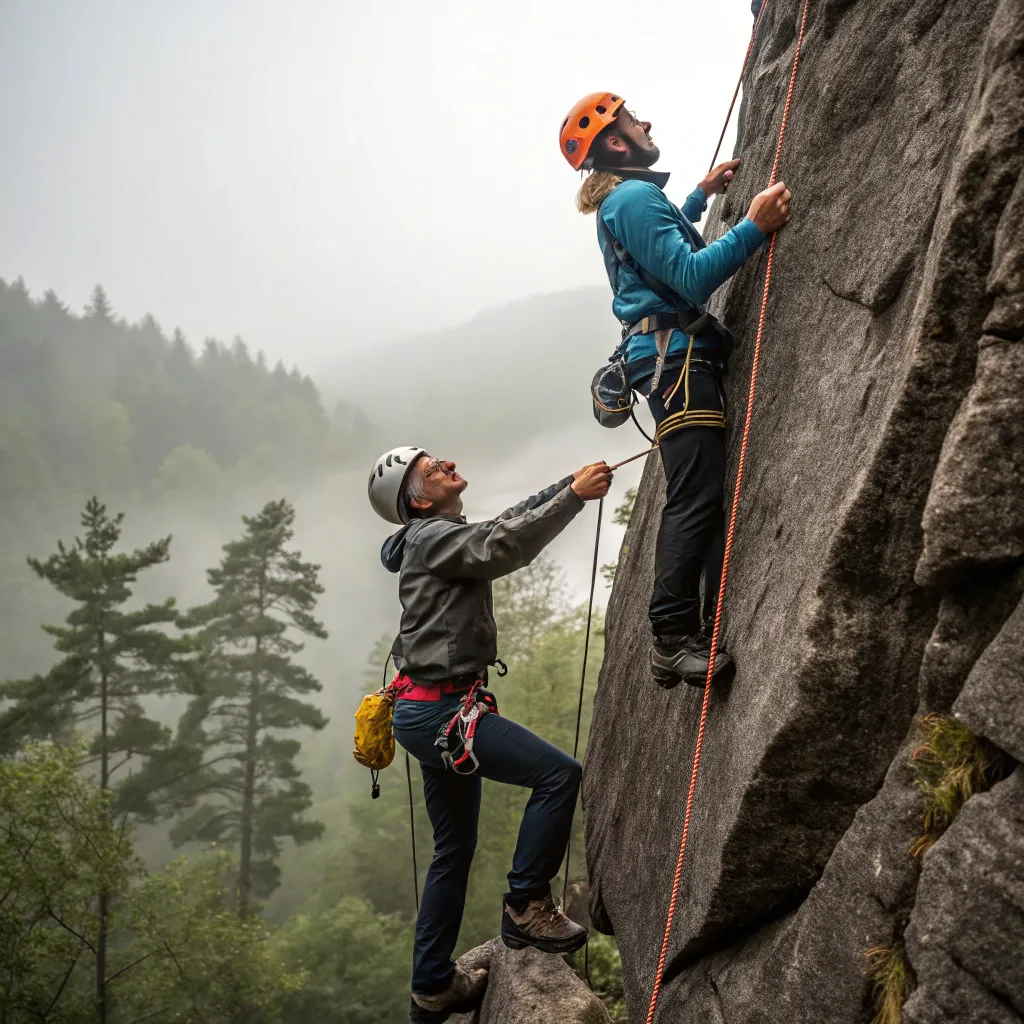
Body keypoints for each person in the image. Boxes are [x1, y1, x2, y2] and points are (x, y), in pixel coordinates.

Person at [368, 446, 612, 1024]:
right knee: (558, 775)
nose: (446, 463)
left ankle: (432, 986)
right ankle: (526, 903)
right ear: (419, 499)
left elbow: (503, 524)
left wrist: (565, 485)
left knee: (452, 851)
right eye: (432, 469)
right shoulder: (431, 539)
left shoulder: (434, 533)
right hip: (442, 715)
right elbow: (504, 546)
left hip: (430, 713)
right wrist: (574, 499)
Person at [559, 92, 791, 688]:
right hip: (675, 361)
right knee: (694, 496)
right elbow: (688, 274)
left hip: (670, 357)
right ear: (615, 142)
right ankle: (670, 639)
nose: (646, 124)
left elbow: (660, 249)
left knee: (701, 492)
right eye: (634, 121)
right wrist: (753, 227)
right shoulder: (633, 197)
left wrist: (699, 195)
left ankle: (691, 626)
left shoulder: (628, 199)